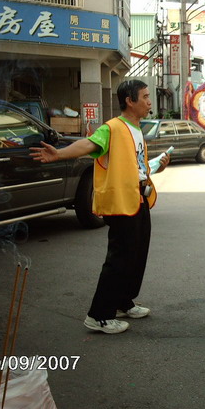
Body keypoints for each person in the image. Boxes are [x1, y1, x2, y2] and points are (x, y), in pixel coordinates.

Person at [30, 80, 169, 335]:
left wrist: (156, 166)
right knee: (119, 260)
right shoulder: (112, 128)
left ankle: (123, 302)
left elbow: (135, 165)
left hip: (138, 199)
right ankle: (99, 315)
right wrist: (59, 154)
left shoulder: (136, 129)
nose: (150, 101)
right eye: (145, 96)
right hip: (121, 203)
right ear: (130, 101)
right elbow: (89, 144)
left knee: (136, 256)